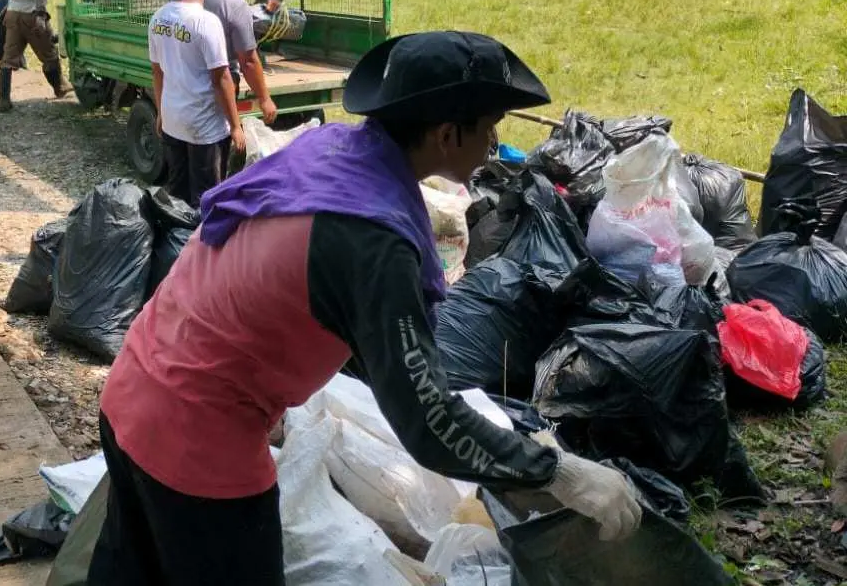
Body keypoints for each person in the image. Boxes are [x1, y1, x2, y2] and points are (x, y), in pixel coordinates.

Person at [87, 31, 643, 585]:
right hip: (197, 439)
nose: (495, 141)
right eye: (490, 126)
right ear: (447, 135)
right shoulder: (374, 240)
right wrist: (558, 472)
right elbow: (428, 424)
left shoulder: (328, 151)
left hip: (135, 389)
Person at [149, 0, 244, 208]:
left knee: (177, 198)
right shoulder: (206, 22)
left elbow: (157, 72)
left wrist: (161, 112)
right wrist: (236, 126)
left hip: (173, 122)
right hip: (205, 129)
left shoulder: (158, 18)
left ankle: (178, 247)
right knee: (206, 201)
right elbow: (222, 79)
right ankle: (200, 248)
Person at [204, 0, 277, 124]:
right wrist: (265, 99)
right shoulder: (235, 6)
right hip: (219, 87)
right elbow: (249, 62)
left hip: (185, 82)